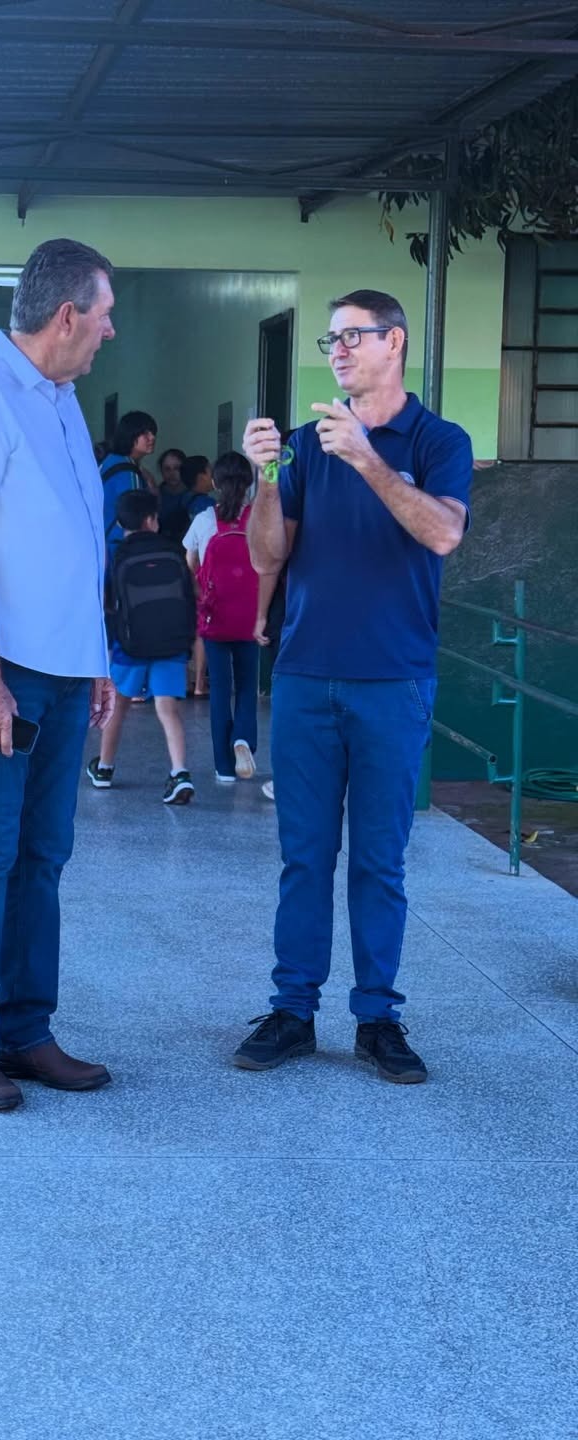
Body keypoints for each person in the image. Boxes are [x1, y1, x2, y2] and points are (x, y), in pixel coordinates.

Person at [235, 288, 472, 1084]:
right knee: (303, 858)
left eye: (351, 336)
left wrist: (368, 458)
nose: (336, 351)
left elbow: (443, 531)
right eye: (330, 340)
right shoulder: (306, 445)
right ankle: (292, 1011)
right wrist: (268, 476)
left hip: (394, 680)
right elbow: (267, 556)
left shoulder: (439, 440)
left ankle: (378, 1019)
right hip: (305, 676)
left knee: (379, 861)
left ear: (394, 342)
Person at [0, 237, 117, 1113]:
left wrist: (95, 658)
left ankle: (25, 1030)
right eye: (104, 316)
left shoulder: (63, 401)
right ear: (67, 315)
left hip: (66, 673)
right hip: (5, 676)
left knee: (43, 857)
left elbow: (72, 542)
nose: (109, 332)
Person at [85, 488, 196, 804]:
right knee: (167, 708)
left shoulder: (117, 555)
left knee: (118, 705)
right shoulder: (172, 551)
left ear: (122, 523)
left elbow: (106, 601)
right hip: (171, 644)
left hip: (129, 645)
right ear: (151, 520)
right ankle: (180, 772)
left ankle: (104, 768)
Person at [184, 450, 277, 783]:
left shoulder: (203, 520)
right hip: (250, 616)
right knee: (247, 686)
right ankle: (243, 739)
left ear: (214, 482)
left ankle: (224, 767)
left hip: (215, 618)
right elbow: (269, 565)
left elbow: (190, 566)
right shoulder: (258, 520)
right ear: (249, 482)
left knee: (221, 690)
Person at [179, 454, 216, 695]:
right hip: (202, 574)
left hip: (184, 568)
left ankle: (186, 680)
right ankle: (200, 682)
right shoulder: (206, 507)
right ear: (202, 476)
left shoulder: (182, 499)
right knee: (201, 629)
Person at [100, 410, 158, 557]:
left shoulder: (110, 461)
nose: (152, 437)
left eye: (153, 432)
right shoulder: (128, 471)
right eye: (145, 433)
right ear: (130, 435)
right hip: (120, 547)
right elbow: (135, 517)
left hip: (104, 544)